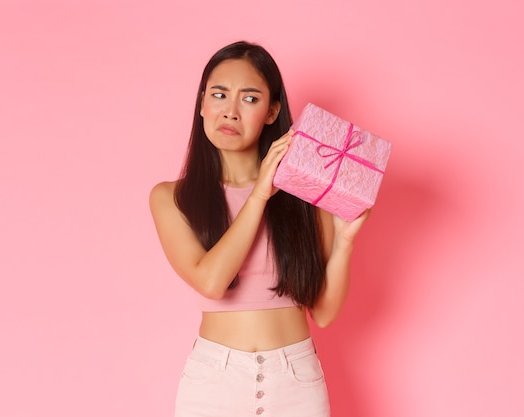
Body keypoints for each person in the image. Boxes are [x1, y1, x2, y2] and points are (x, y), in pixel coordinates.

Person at [149, 40, 370, 417]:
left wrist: (345, 242)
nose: (230, 111)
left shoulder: (305, 196)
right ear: (202, 103)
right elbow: (211, 282)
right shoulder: (172, 198)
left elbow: (325, 313)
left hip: (296, 380)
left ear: (272, 112)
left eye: (250, 99)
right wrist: (259, 196)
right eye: (219, 95)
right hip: (214, 383)